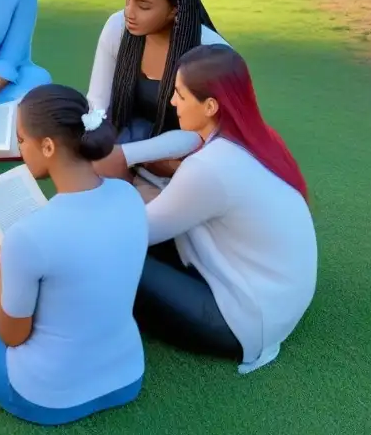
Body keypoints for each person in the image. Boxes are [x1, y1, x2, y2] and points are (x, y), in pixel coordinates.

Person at [0, 84, 146, 425]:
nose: (19, 147)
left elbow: (12, 336)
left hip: (46, 397)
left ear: (49, 146)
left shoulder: (27, 236)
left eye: (22, 139)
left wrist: (1, 273)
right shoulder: (129, 196)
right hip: (128, 377)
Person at [134, 44, 317, 374]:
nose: (172, 102)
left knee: (114, 257)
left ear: (210, 106)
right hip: (277, 300)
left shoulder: (210, 168)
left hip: (244, 320)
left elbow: (135, 234)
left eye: (180, 95)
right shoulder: (260, 138)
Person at [87, 0, 228, 182]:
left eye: (143, 6)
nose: (129, 13)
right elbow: (97, 105)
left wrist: (127, 155)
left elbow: (203, 136)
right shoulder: (117, 28)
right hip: (129, 136)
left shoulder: (211, 55)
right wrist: (97, 144)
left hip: (186, 150)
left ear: (175, 9)